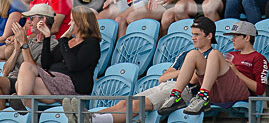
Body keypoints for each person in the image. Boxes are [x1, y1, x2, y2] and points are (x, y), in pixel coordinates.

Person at [79, 15, 215, 123]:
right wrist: (188, 68)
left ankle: (95, 120)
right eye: (192, 34)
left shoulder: (212, 57)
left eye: (197, 34)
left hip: (183, 92)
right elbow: (163, 77)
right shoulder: (185, 54)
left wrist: (182, 72)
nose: (193, 38)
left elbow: (193, 79)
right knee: (124, 102)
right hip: (166, 85)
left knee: (137, 105)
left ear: (209, 36)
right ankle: (90, 117)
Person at [157, 20, 268, 115]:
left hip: (238, 92)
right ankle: (176, 95)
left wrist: (237, 73)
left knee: (214, 53)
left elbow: (260, 89)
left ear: (247, 38)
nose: (232, 39)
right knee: (192, 54)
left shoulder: (258, 58)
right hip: (216, 89)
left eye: (235, 36)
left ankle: (203, 97)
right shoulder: (231, 54)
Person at [16, 5, 101, 107]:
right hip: (53, 80)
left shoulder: (91, 43)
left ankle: (21, 103)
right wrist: (47, 37)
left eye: (72, 21)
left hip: (71, 85)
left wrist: (64, 40)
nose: (70, 24)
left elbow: (73, 66)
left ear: (81, 23)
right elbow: (46, 64)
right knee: (24, 75)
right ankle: (26, 112)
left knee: (23, 80)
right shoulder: (69, 41)